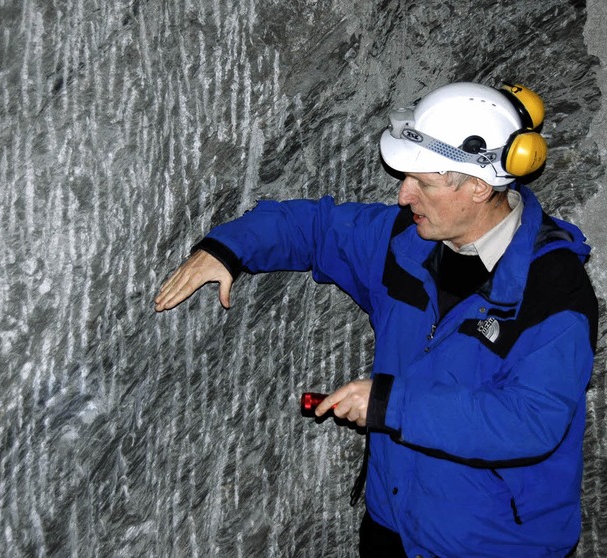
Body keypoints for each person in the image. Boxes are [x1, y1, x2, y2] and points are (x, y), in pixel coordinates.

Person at [155, 82, 598, 557]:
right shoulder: (405, 245)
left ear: (477, 187)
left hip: (495, 544)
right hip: (391, 529)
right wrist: (228, 249)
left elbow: (530, 421)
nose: (403, 195)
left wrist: (391, 404)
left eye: (422, 182)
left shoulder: (554, 289)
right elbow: (315, 227)